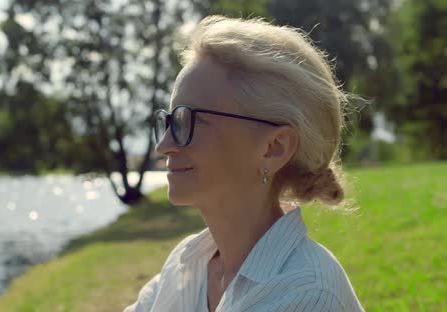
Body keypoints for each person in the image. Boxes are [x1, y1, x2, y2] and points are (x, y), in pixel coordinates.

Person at [124, 15, 364, 312]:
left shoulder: (306, 293)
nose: (164, 147)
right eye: (169, 121)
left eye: (187, 121)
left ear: (273, 148)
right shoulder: (189, 263)